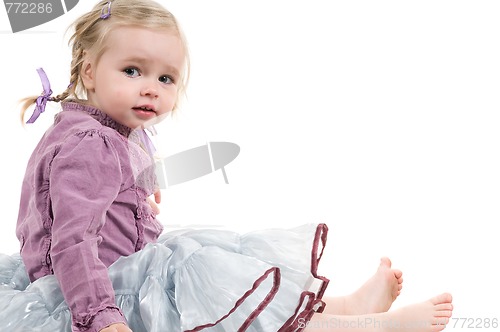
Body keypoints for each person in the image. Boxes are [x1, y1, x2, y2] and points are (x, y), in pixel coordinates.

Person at [0, 0, 453, 331]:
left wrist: (142, 178)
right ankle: (364, 328)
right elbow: (73, 238)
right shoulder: (90, 144)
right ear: (89, 69)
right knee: (209, 282)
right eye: (133, 71)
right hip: (94, 290)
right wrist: (103, 318)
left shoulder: (105, 127)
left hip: (126, 266)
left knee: (215, 270)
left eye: (166, 78)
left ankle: (347, 307)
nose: (151, 89)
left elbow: (106, 175)